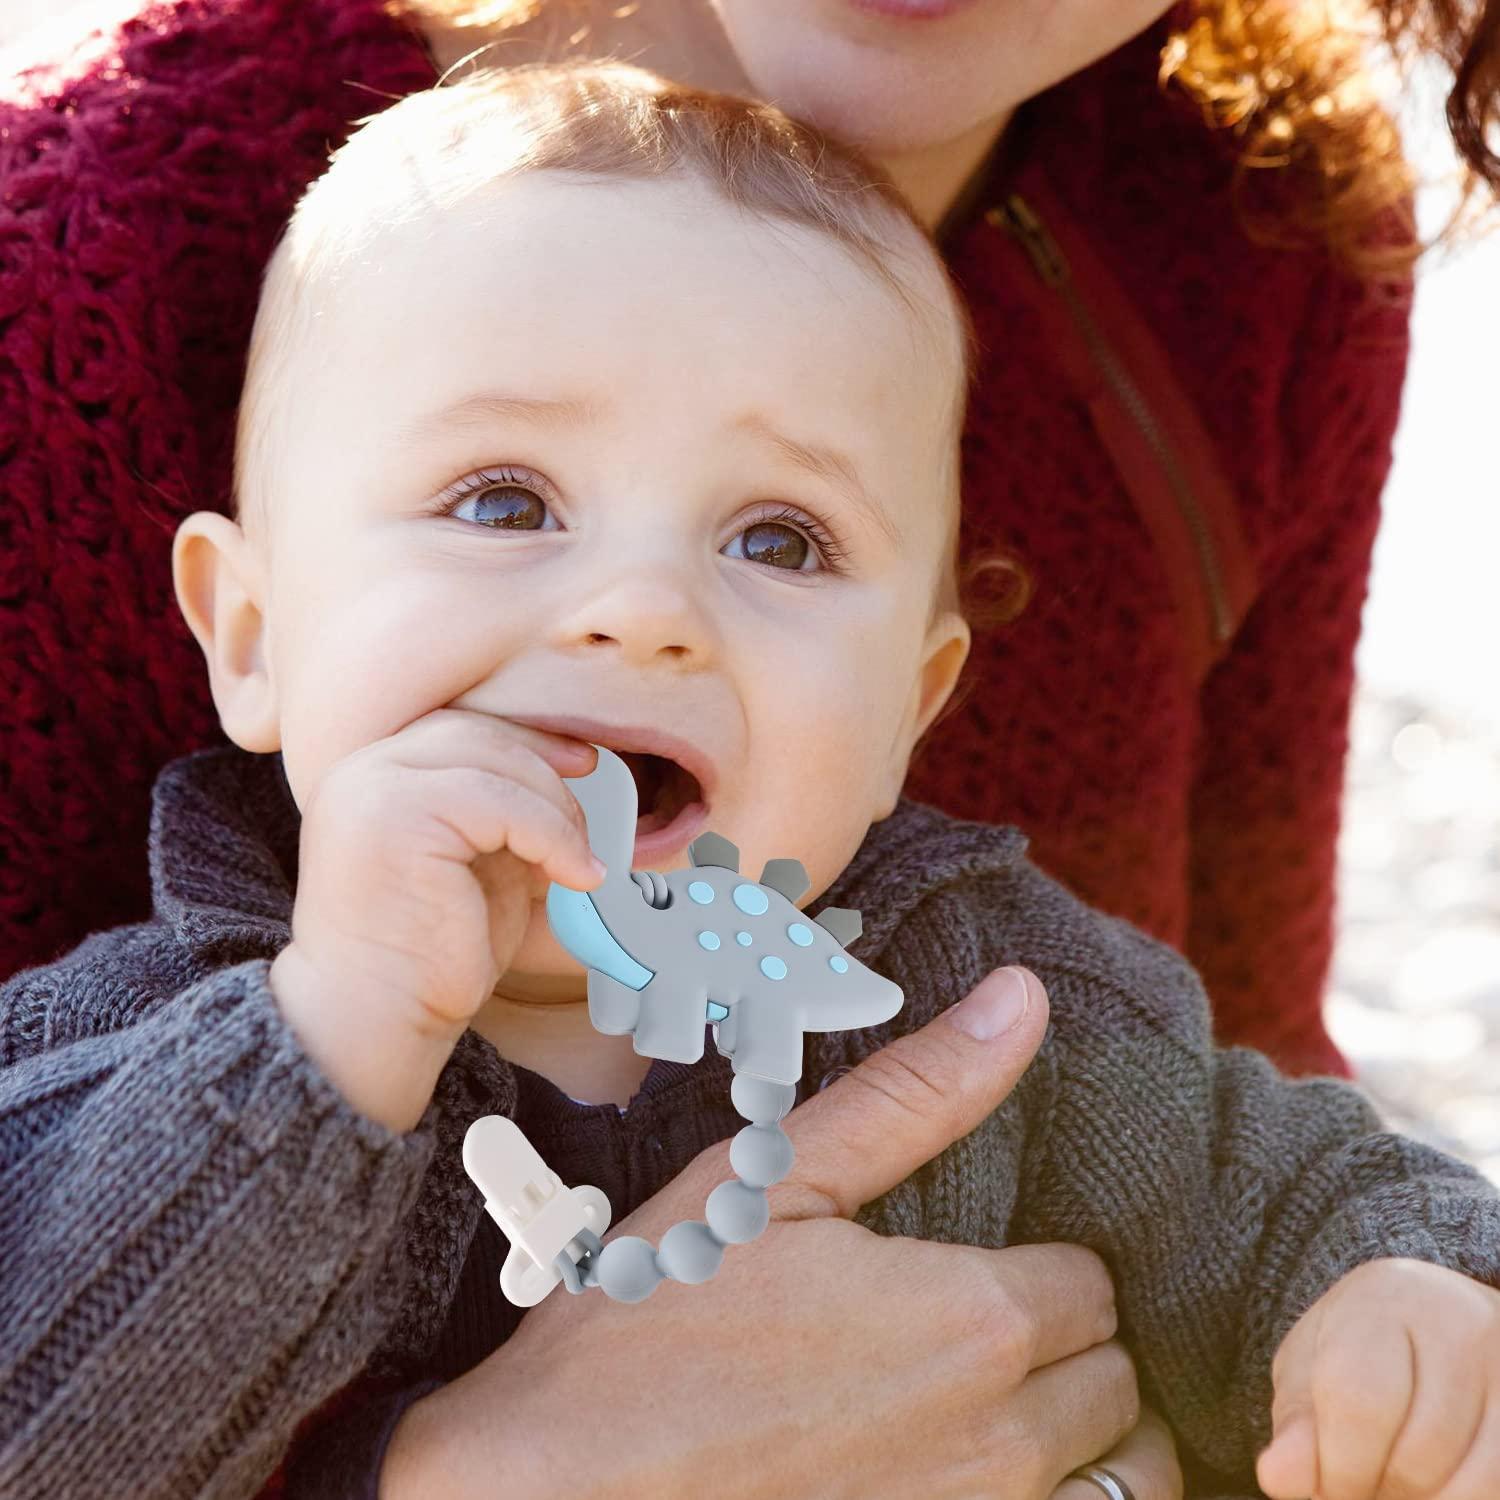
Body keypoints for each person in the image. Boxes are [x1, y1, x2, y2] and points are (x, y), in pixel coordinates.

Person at [4, 62, 1499, 1500]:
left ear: (912, 707)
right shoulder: (111, 1058)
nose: (644, 606)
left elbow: (1296, 1190)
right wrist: (321, 1047)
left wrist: (1396, 1306)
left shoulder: (1001, 1008)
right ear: (255, 640)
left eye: (777, 539)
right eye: (504, 499)